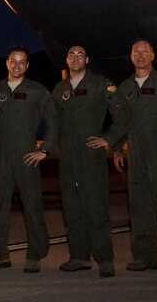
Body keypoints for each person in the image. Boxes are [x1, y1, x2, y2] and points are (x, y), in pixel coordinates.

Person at [87, 38, 157, 277]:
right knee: (140, 207)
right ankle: (146, 257)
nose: (141, 55)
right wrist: (118, 148)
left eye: (145, 51)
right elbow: (121, 121)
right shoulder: (125, 88)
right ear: (131, 57)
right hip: (136, 155)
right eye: (136, 52)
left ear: (153, 56)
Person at [0, 46, 58, 274]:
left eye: (22, 62)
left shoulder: (37, 91)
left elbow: (53, 121)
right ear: (7, 63)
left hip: (27, 155)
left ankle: (35, 255)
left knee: (32, 204)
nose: (17, 65)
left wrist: (44, 150)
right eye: (13, 61)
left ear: (27, 65)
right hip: (2, 155)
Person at [51, 44, 124, 278]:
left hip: (91, 156)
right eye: (71, 54)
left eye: (80, 54)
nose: (75, 58)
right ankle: (79, 257)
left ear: (87, 59)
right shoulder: (59, 88)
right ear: (66, 59)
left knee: (96, 209)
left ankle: (105, 259)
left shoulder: (101, 84)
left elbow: (123, 115)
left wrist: (109, 139)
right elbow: (52, 122)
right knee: (72, 209)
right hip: (67, 158)